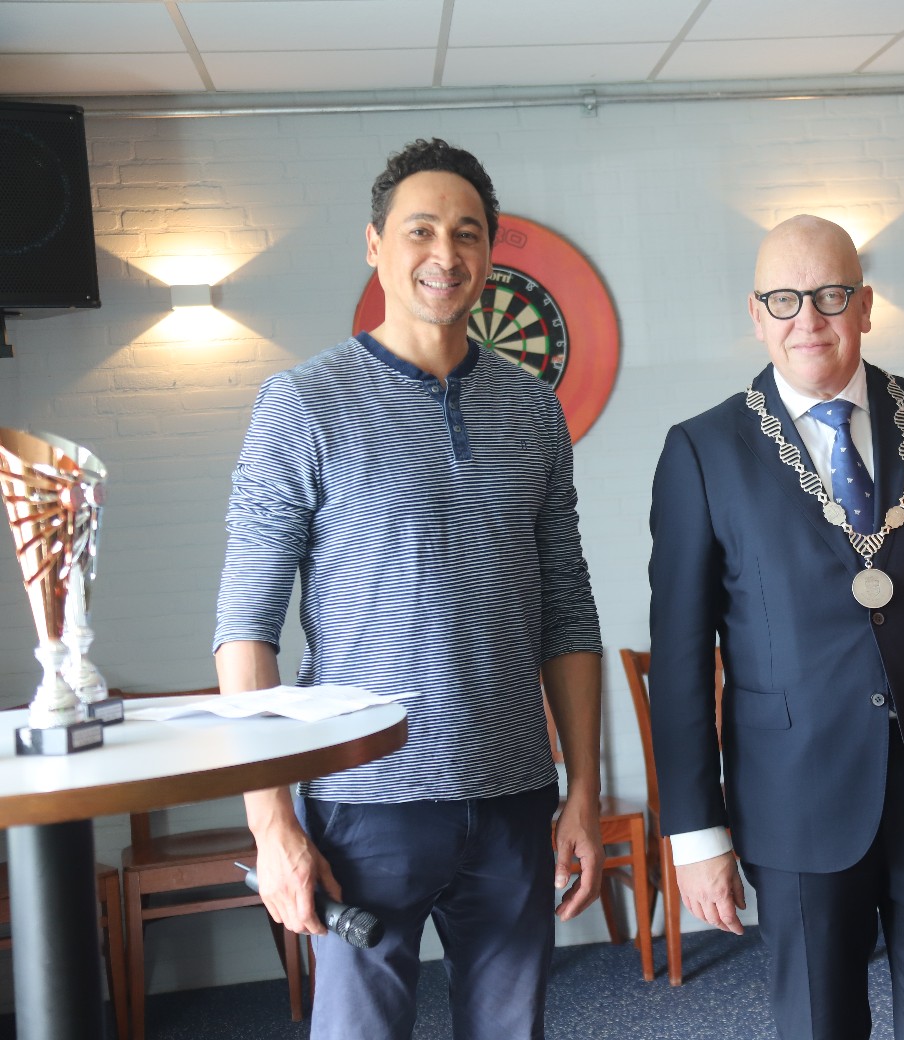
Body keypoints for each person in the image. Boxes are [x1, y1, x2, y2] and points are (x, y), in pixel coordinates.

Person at [213, 138, 604, 1040]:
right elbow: (245, 630)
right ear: (375, 244)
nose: (445, 253)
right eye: (420, 229)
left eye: (468, 233)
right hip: (363, 804)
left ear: (490, 254)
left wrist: (581, 787)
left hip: (513, 800)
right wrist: (272, 825)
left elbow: (567, 610)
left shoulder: (532, 410)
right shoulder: (302, 403)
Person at [647, 214, 904, 1040]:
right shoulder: (702, 452)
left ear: (865, 304)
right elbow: (680, 661)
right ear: (756, 314)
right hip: (795, 800)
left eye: (829, 295)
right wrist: (695, 832)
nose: (808, 319)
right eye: (784, 300)